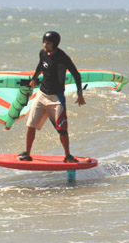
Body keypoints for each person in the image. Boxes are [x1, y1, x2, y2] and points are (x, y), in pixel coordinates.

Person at [19, 31, 86, 163]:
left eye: (48, 43)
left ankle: (67, 155)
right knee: (30, 125)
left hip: (57, 98)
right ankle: (27, 152)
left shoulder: (63, 58)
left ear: (54, 44)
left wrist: (79, 94)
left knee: (62, 129)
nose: (45, 45)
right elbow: (40, 65)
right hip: (42, 94)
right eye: (44, 42)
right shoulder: (43, 53)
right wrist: (34, 78)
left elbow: (76, 74)